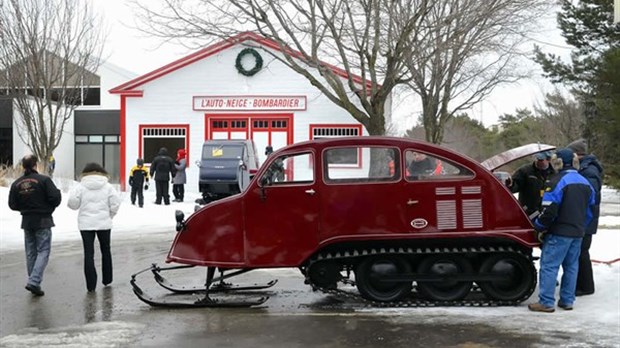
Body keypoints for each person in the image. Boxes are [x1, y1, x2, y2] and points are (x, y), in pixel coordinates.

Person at [528, 148, 595, 313]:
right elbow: (589, 210)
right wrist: (582, 227)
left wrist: (539, 226)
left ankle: (546, 302)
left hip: (559, 232)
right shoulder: (586, 182)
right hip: (578, 232)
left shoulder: (556, 182)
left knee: (549, 266)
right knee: (571, 266)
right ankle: (567, 300)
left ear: (557, 162)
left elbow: (549, 211)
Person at [8, 154, 62, 296]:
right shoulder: (44, 180)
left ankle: (34, 282)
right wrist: (48, 207)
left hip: (27, 221)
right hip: (43, 219)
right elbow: (55, 198)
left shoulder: (17, 183)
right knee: (43, 250)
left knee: (31, 252)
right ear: (35, 165)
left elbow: (12, 204)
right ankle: (34, 281)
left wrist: (25, 208)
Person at [67, 163, 121, 292]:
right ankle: (107, 279)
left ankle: (91, 285)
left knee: (88, 253)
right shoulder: (108, 187)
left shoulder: (80, 187)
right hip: (104, 223)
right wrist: (109, 216)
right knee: (106, 250)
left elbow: (72, 204)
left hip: (85, 224)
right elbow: (115, 204)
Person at [567, 138, 603, 297]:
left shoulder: (589, 170)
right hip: (583, 218)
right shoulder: (585, 168)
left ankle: (586, 286)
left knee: (582, 252)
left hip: (586, 218)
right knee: (580, 252)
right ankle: (580, 284)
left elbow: (590, 194)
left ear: (576, 154)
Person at [505, 151, 556, 217]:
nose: (537, 161)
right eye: (536, 158)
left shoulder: (555, 173)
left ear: (548, 160)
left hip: (546, 214)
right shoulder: (525, 171)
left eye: (541, 160)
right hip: (527, 213)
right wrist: (511, 185)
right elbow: (515, 186)